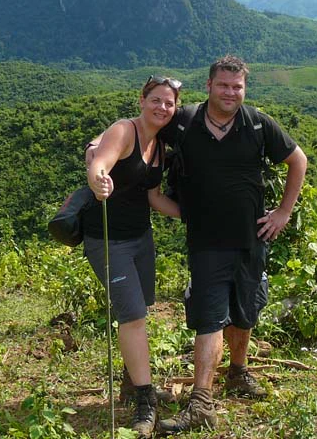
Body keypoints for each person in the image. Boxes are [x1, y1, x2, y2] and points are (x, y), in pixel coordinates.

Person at [153, 55, 308, 434]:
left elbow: (298, 160)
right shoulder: (183, 122)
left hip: (252, 237)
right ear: (208, 85)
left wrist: (283, 212)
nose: (230, 92)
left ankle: (238, 372)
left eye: (237, 86)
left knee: (245, 310)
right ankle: (201, 402)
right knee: (210, 317)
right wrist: (99, 149)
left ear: (244, 88)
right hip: (206, 241)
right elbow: (141, 133)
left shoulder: (257, 123)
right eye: (223, 85)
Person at [84, 75, 182, 438]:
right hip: (108, 240)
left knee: (142, 308)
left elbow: (154, 197)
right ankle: (145, 400)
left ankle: (131, 383)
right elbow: (100, 163)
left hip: (141, 238)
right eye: (156, 100)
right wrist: (98, 180)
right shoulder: (124, 131)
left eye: (169, 103)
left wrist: (193, 216)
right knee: (133, 316)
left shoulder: (158, 147)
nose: (162, 107)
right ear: (141, 100)